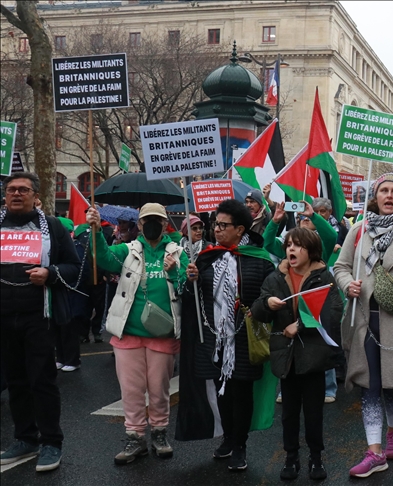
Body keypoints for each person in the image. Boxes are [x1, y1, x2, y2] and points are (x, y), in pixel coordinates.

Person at [332, 173, 393, 478]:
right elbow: (341, 266)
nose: (388, 196)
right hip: (363, 321)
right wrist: (348, 284)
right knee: (369, 384)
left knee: (392, 383)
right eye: (383, 191)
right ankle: (375, 452)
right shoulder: (359, 230)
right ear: (375, 196)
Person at [85, 203, 187, 465]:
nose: (152, 224)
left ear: (166, 225)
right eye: (146, 220)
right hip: (128, 334)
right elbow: (105, 259)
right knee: (130, 391)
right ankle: (135, 437)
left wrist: (175, 271)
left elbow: (187, 285)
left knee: (159, 390)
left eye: (158, 220)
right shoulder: (127, 250)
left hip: (162, 335)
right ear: (139, 225)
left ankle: (160, 433)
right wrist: (96, 230)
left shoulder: (178, 252)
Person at [185, 199, 275, 472]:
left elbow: (268, 293)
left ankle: (240, 444)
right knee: (222, 390)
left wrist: (257, 308)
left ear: (240, 229)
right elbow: (194, 300)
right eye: (215, 225)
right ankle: (227, 437)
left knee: (241, 391)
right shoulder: (205, 257)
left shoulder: (259, 260)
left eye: (223, 225)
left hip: (245, 337)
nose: (216, 230)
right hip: (215, 338)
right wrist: (191, 281)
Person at [0, 172, 80, 472]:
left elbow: (74, 267)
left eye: (23, 190)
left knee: (42, 381)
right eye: (11, 190)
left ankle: (51, 442)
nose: (16, 194)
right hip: (4, 318)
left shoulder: (54, 228)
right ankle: (25, 438)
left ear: (36, 196)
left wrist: (50, 274)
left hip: (39, 317)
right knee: (16, 381)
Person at [252, 227, 343, 481]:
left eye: (298, 245)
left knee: (313, 413)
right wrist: (267, 304)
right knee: (289, 413)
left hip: (313, 356)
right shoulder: (276, 277)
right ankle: (291, 457)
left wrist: (300, 325)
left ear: (311, 249)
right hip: (286, 356)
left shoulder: (324, 277)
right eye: (289, 245)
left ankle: (316, 458)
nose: (291, 249)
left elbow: (333, 312)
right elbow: (258, 309)